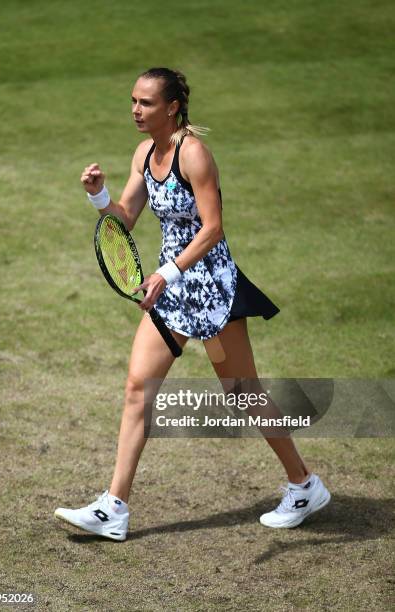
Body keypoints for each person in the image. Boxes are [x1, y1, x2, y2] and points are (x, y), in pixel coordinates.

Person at [54, 67, 330, 541]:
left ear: (172, 107)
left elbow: (212, 228)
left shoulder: (194, 154)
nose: (136, 110)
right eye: (133, 101)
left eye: (146, 103)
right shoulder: (144, 153)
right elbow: (125, 219)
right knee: (138, 387)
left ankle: (304, 485)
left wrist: (167, 272)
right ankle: (114, 507)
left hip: (212, 292)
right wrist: (98, 194)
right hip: (171, 291)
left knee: (243, 394)